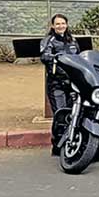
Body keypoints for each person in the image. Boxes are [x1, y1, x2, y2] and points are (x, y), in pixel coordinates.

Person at [40, 13, 79, 155]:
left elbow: (80, 57)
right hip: (56, 83)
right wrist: (56, 57)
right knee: (60, 114)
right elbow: (44, 56)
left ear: (67, 24)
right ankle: (57, 146)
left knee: (72, 113)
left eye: (63, 23)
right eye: (57, 24)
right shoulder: (49, 40)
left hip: (73, 83)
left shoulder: (72, 40)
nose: (60, 26)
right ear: (53, 26)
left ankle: (70, 141)